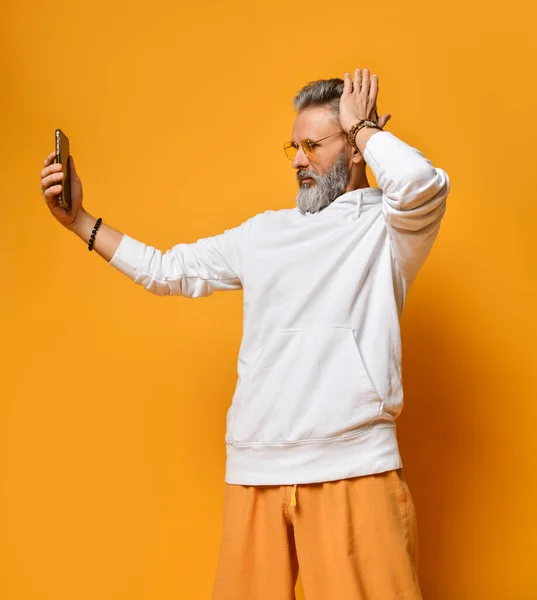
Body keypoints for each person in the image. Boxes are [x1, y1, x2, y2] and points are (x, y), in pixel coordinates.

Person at [40, 68, 450, 599]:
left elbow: (421, 182)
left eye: (313, 144)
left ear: (355, 150)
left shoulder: (389, 229)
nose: (299, 160)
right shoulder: (263, 233)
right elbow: (167, 271)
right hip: (256, 470)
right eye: (294, 147)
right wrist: (80, 222)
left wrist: (367, 129)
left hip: (354, 468)